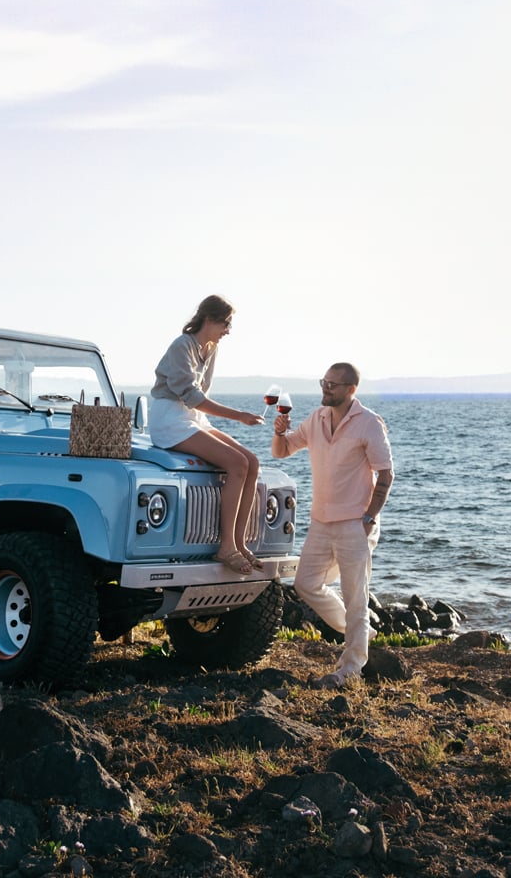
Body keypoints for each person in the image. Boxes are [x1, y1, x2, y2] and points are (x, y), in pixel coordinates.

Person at [271, 362, 394, 689]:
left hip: (356, 522)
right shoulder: (317, 418)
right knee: (306, 583)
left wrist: (369, 517)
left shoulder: (369, 424)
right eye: (324, 382)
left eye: (333, 385)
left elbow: (386, 474)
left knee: (356, 597)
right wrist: (279, 431)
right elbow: (283, 451)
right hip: (321, 521)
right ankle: (360, 633)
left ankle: (351, 667)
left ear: (351, 389)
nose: (326, 388)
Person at [151, 295, 265, 574]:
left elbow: (200, 401)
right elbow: (192, 397)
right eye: (225, 323)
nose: (228, 330)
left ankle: (238, 542)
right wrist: (239, 416)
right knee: (236, 464)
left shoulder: (210, 348)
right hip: (170, 418)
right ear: (209, 319)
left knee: (251, 462)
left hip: (192, 417)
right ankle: (226, 547)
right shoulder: (182, 346)